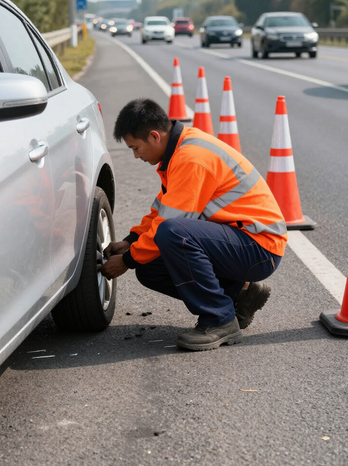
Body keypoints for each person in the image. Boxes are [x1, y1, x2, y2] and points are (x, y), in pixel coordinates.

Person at [100, 98, 287, 351]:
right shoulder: (179, 150)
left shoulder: (191, 159)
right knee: (149, 267)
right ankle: (241, 294)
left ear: (154, 136)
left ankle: (220, 320)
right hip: (240, 240)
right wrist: (130, 242)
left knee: (173, 234)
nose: (135, 156)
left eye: (135, 147)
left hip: (260, 247)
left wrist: (126, 261)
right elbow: (161, 211)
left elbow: (171, 223)